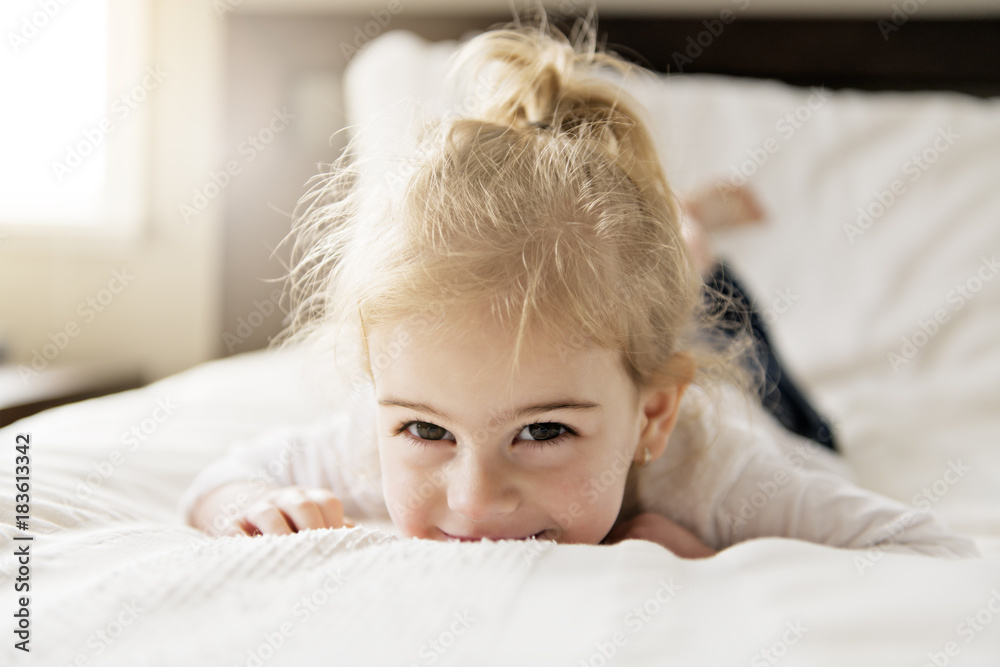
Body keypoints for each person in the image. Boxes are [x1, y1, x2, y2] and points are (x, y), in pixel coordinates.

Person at [179, 14, 978, 559]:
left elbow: (929, 551)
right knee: (652, 294)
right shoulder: (374, 431)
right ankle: (682, 232)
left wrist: (707, 558)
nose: (475, 500)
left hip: (767, 407)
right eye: (426, 431)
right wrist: (247, 506)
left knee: (710, 310)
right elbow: (222, 480)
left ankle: (691, 239)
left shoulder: (721, 473)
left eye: (543, 430)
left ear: (653, 417)